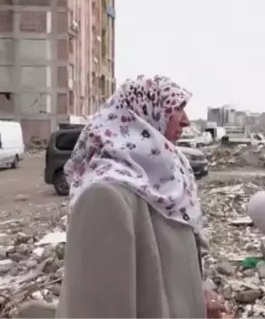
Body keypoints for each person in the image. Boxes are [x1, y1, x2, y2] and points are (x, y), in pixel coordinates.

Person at [56, 75, 226, 319]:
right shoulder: (105, 196)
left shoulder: (171, 186)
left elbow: (170, 273)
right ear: (142, 114)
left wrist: (197, 298)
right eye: (176, 109)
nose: (186, 121)